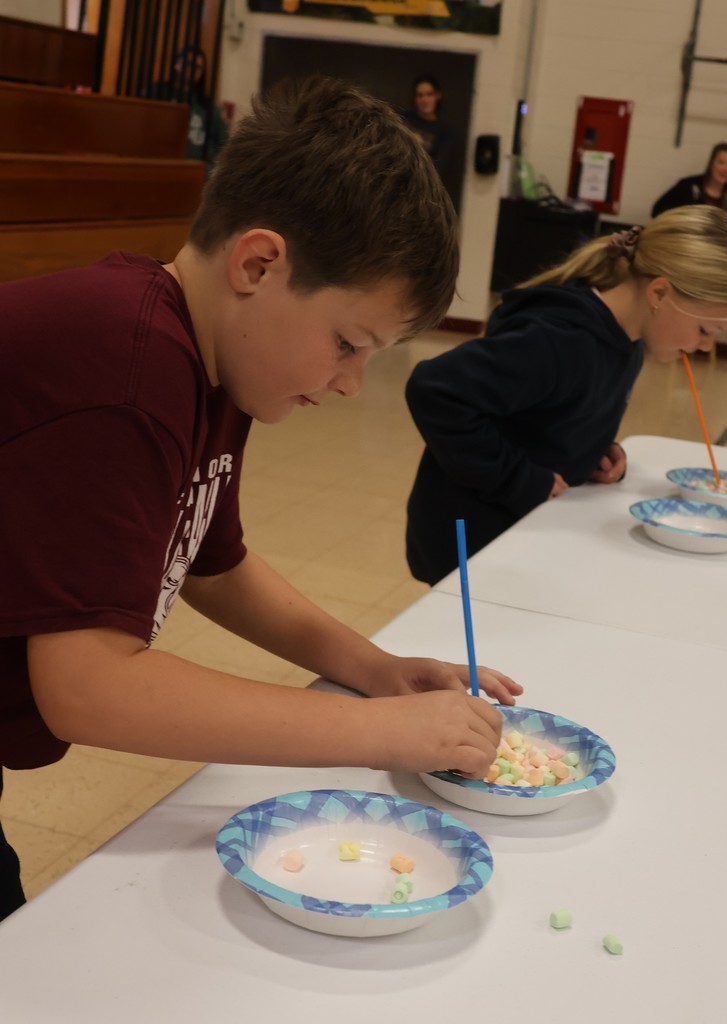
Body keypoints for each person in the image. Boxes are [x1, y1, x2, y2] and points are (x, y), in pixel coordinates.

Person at [0, 75, 521, 922]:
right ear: (259, 263)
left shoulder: (212, 364)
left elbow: (211, 560)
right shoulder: (127, 374)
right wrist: (381, 734)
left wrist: (372, 670)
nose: (352, 384)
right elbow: (91, 689)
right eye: (348, 344)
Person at [404, 206, 727, 585]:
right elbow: (435, 390)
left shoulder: (628, 343)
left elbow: (549, 414)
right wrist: (518, 480)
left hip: (527, 535)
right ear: (659, 292)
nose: (705, 346)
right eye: (706, 329)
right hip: (473, 543)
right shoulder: (560, 342)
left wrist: (590, 450)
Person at [148, 46, 230, 174]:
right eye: (189, 64)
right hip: (162, 163)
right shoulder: (157, 93)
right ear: (177, 64)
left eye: (198, 68)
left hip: (199, 170)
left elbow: (224, 141)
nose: (193, 71)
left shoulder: (206, 106)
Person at [652, 143, 727, 235]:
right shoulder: (688, 186)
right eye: (721, 162)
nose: (725, 169)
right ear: (711, 164)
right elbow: (657, 211)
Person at [402, 74, 450, 178]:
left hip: (420, 184)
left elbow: (436, 169)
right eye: (420, 95)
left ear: (438, 96)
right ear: (415, 98)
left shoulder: (443, 132)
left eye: (429, 94)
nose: (425, 100)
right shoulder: (403, 119)